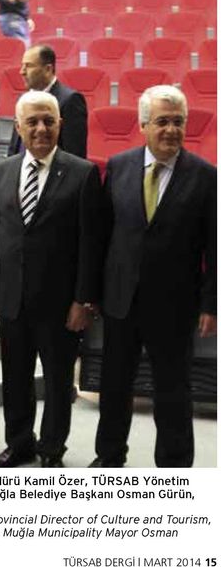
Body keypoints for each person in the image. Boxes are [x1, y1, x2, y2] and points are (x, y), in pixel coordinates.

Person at [93, 87, 216, 467]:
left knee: (173, 390)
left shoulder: (206, 176)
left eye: (178, 122)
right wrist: (93, 293)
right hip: (121, 299)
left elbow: (216, 248)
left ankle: (176, 464)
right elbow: (103, 234)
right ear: (143, 124)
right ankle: (109, 455)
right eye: (162, 121)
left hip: (175, 303)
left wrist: (211, 304)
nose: (171, 130)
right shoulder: (119, 166)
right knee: (115, 385)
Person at [0, 90, 104, 467]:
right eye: (32, 121)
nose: (40, 128)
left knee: (56, 381)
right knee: (15, 378)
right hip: (11, 297)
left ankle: (51, 449)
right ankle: (19, 444)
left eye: (48, 120)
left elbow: (90, 245)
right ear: (18, 126)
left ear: (60, 125)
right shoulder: (1, 171)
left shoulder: (83, 173)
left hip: (60, 303)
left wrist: (83, 301)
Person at [8, 44, 88, 159]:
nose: (22, 72)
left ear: (48, 69)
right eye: (22, 66)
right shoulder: (24, 100)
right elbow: (16, 146)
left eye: (29, 66)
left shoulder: (70, 100)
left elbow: (74, 155)